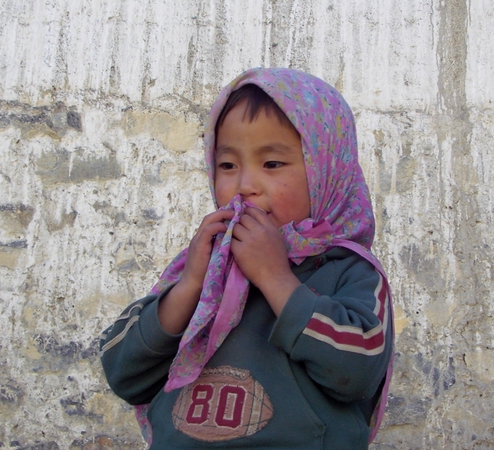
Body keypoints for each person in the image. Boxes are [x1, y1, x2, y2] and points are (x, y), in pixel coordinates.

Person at [100, 67, 394, 449]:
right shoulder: (201, 267)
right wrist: (191, 285)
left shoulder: (348, 270)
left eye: (272, 164)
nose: (245, 186)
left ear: (326, 170)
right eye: (227, 166)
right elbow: (124, 373)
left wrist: (275, 278)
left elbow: (358, 371)